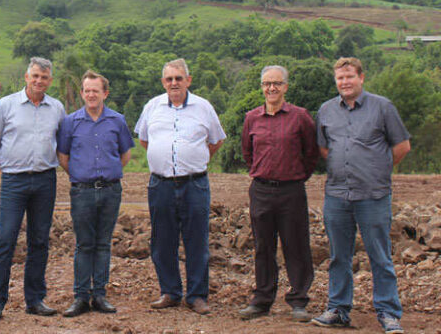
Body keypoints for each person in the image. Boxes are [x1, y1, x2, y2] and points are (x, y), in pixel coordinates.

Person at [312, 57, 410, 334]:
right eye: (340, 78)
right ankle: (338, 309)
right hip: (337, 195)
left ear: (361, 78)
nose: (345, 82)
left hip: (373, 195)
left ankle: (389, 313)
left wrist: (378, 169)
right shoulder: (326, 110)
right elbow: (324, 149)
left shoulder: (383, 107)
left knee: (380, 256)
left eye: (350, 77)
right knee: (338, 256)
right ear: (336, 81)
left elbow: (402, 145)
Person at [134, 58, 226, 315]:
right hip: (160, 183)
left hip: (194, 184)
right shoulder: (152, 107)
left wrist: (193, 158)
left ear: (188, 80)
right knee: (163, 241)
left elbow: (215, 141)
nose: (173, 83)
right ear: (163, 82)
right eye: (169, 79)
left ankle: (197, 295)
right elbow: (144, 140)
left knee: (197, 240)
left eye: (178, 78)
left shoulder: (203, 107)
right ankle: (170, 292)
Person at [0, 57, 66, 319]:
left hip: (45, 180)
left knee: (39, 240)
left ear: (49, 80)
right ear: (26, 77)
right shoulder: (6, 105)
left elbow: (62, 142)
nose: (39, 81)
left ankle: (35, 299)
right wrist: (7, 163)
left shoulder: (57, 108)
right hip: (14, 181)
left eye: (44, 77)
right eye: (35, 76)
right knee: (6, 238)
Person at [238, 65, 318, 322]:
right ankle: (262, 300)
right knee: (263, 247)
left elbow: (311, 153)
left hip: (291, 191)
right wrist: (260, 172)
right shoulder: (252, 117)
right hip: (261, 190)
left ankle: (298, 300)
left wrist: (296, 175)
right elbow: (247, 153)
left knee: (296, 246)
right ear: (261, 87)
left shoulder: (300, 117)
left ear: (285, 86)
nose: (271, 88)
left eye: (276, 83)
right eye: (266, 84)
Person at [57, 71, 135, 317]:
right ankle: (81, 297)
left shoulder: (117, 120)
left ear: (105, 93)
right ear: (82, 93)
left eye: (96, 91)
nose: (91, 95)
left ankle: (99, 295)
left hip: (111, 190)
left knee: (103, 244)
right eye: (87, 90)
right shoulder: (70, 122)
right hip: (82, 192)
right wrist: (83, 175)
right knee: (84, 244)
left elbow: (125, 154)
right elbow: (63, 157)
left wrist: (107, 174)